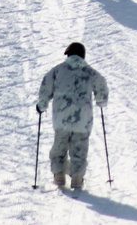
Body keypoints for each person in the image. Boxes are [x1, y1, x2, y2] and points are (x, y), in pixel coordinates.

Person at [36, 42, 109, 190]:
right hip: (83, 119)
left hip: (61, 118)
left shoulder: (57, 71)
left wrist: (41, 106)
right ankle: (77, 178)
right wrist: (101, 101)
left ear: (68, 55)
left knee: (59, 147)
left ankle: (59, 175)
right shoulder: (90, 72)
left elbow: (45, 89)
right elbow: (102, 88)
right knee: (79, 148)